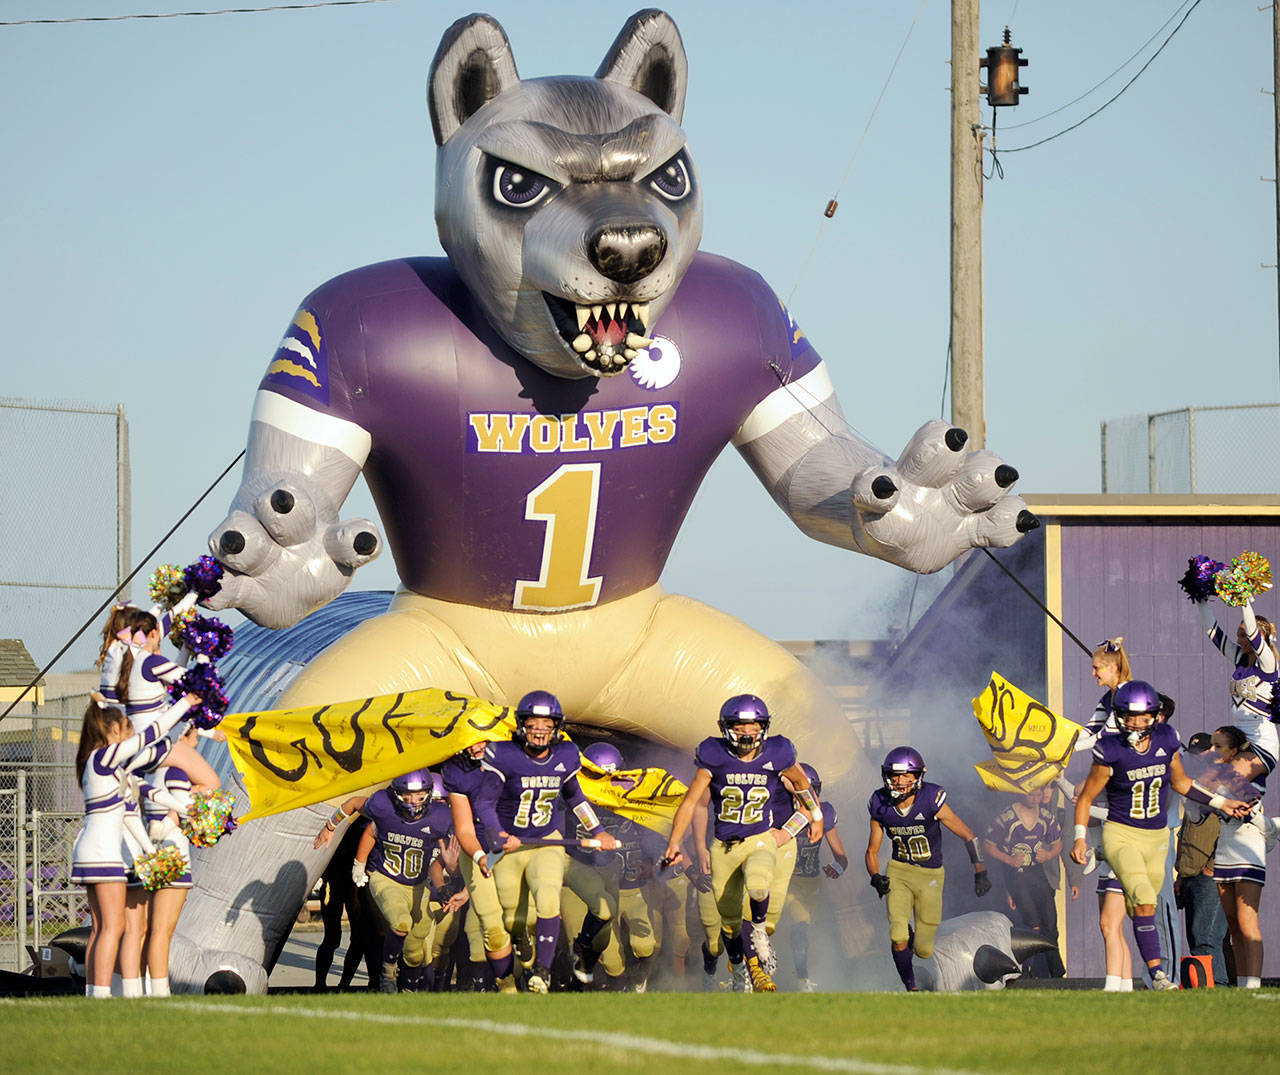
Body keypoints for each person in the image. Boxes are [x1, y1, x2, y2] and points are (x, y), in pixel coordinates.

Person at [1070, 681, 1252, 991]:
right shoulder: (1110, 748)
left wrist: (1223, 802)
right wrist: (1079, 837)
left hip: (1156, 839)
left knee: (1145, 908)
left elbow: (1182, 784)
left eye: (1142, 717)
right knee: (1142, 898)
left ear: (1155, 717)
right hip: (1122, 834)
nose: (1136, 723)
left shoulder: (1167, 740)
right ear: (1119, 716)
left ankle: (1144, 976)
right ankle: (1158, 975)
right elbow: (1086, 797)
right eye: (1129, 716)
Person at [662, 694, 822, 993]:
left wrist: (817, 816)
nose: (747, 732)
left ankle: (759, 930)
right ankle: (739, 975)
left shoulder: (779, 751)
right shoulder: (714, 753)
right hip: (724, 846)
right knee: (730, 924)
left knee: (759, 886)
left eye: (754, 725)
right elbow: (692, 801)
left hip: (760, 837)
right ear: (726, 727)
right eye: (740, 725)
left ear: (764, 726)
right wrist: (674, 842)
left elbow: (802, 785)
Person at [472, 690, 619, 993]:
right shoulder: (503, 754)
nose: (540, 729)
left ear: (556, 727)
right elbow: (485, 804)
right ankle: (522, 950)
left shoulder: (565, 754)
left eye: (546, 723)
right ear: (522, 724)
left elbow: (575, 798)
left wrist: (598, 831)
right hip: (512, 843)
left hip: (546, 839)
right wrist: (498, 835)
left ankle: (542, 972)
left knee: (548, 896)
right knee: (514, 917)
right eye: (533, 722)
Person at [70, 691, 197, 998]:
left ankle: (96, 994)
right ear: (113, 732)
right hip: (103, 852)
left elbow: (144, 800)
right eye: (126, 731)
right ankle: (100, 996)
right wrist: (184, 705)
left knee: (102, 929)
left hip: (96, 848)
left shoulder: (107, 768)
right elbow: (149, 736)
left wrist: (153, 849)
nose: (130, 737)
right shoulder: (103, 757)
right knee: (113, 927)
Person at [865, 746, 991, 992]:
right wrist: (876, 876)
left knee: (924, 949)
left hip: (930, 874)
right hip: (899, 871)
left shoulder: (931, 799)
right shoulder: (880, 802)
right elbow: (871, 850)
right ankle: (911, 987)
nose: (900, 781)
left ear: (918, 776)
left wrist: (980, 870)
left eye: (906, 775)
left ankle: (914, 941)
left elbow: (967, 835)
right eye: (894, 775)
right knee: (897, 934)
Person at [323, 770, 453, 992]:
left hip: (418, 885)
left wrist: (452, 863)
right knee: (401, 923)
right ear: (396, 794)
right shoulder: (384, 807)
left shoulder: (441, 817)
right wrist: (330, 826)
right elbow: (353, 804)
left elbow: (465, 836)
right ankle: (387, 971)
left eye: (420, 796)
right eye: (408, 795)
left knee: (416, 948)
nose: (413, 802)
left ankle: (409, 990)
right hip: (387, 878)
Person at [1204, 725, 1268, 988]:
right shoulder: (1216, 774)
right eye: (1211, 745)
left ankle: (1253, 985)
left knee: (1246, 920)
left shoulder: (1251, 774)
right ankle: (1242, 984)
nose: (1211, 751)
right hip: (1225, 847)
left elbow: (1245, 807)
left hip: (1247, 845)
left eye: (1218, 746)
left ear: (1234, 751)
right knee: (1232, 923)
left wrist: (1214, 781)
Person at [983, 785, 1065, 978]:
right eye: (1031, 794)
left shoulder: (1046, 817)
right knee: (1033, 923)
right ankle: (1029, 970)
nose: (1036, 798)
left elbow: (1058, 842)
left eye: (1039, 794)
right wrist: (1008, 859)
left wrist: (1049, 854)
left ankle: (1057, 973)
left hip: (1037, 873)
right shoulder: (1007, 817)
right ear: (1021, 793)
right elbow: (988, 844)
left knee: (1050, 924)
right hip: (1017, 875)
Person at [783, 763, 848, 992]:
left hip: (809, 882)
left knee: (802, 927)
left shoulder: (824, 813)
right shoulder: (778, 810)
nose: (807, 798)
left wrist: (838, 868)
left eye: (812, 792)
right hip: (780, 880)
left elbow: (842, 858)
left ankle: (804, 979)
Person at [1198, 593, 1278, 777]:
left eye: (1243, 635)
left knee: (1225, 784)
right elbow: (1214, 633)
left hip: (1261, 743)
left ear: (1261, 637)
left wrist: (1244, 597)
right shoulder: (1240, 659)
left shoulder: (1268, 664)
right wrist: (1200, 600)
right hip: (1239, 741)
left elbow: (1252, 631)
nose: (1240, 640)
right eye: (1238, 635)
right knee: (1206, 779)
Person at [1174, 731, 1229, 985]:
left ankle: (1214, 988)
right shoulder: (1196, 787)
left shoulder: (1226, 785)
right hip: (1189, 875)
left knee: (1206, 938)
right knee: (1197, 938)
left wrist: (1212, 867)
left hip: (1210, 876)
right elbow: (1186, 833)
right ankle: (1210, 988)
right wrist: (1180, 873)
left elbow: (1231, 832)